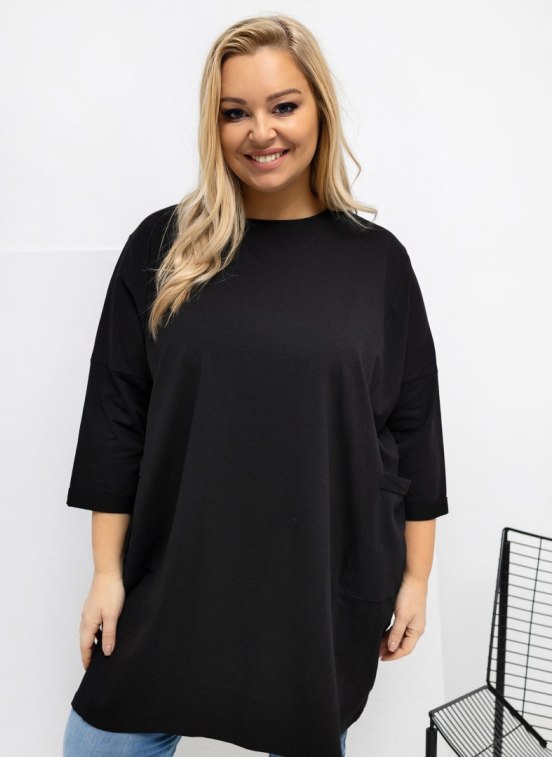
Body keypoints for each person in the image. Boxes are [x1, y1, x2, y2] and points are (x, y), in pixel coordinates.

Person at [62, 13, 449, 757]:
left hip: (319, 583)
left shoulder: (376, 263)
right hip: (175, 578)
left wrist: (417, 578)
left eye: (283, 106)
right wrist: (106, 573)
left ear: (319, 109)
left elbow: (413, 427)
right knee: (99, 740)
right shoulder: (163, 246)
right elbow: (116, 419)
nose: (260, 131)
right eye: (234, 111)